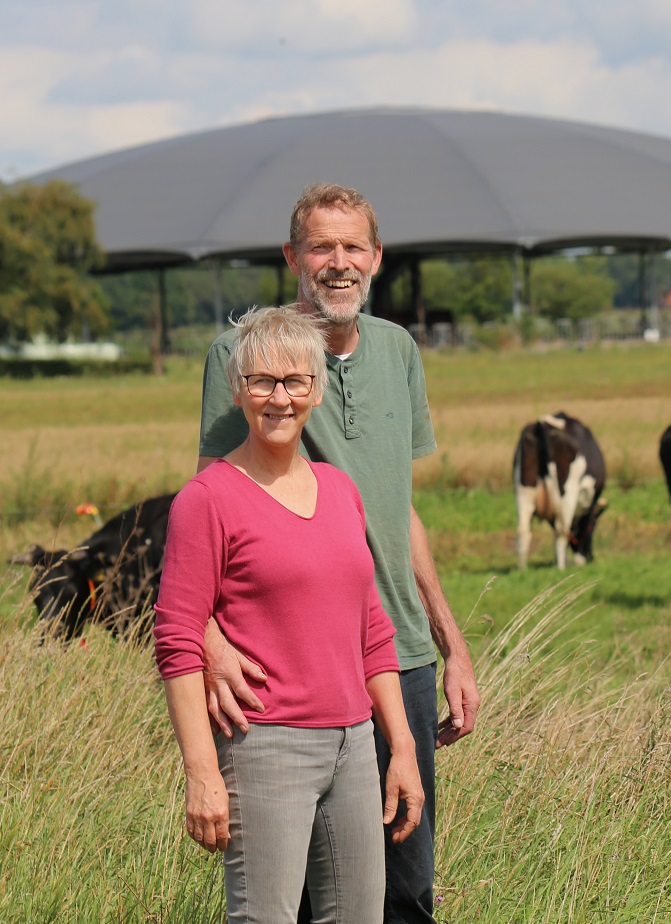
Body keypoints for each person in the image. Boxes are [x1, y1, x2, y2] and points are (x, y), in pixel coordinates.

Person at [197, 184, 480, 924]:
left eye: (353, 246)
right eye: (320, 246)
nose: (338, 263)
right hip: (291, 663)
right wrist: (210, 641)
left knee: (405, 884)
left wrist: (450, 643)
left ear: (377, 258)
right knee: (286, 896)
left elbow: (399, 508)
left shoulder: (399, 349)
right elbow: (206, 513)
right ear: (292, 257)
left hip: (400, 659)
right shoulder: (246, 356)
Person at [155, 306, 423, 924]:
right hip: (264, 745)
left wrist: (400, 748)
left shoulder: (339, 490)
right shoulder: (207, 500)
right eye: (262, 382)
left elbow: (373, 632)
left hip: (355, 746)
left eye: (296, 381)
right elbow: (177, 642)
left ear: (317, 390)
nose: (280, 398)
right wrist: (201, 772)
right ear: (238, 389)